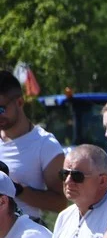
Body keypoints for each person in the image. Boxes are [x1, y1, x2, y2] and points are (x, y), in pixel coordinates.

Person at [0, 70, 67, 221]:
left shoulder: (45, 144)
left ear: (19, 102)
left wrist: (16, 189)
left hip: (23, 237)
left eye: (1, 109)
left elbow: (61, 203)